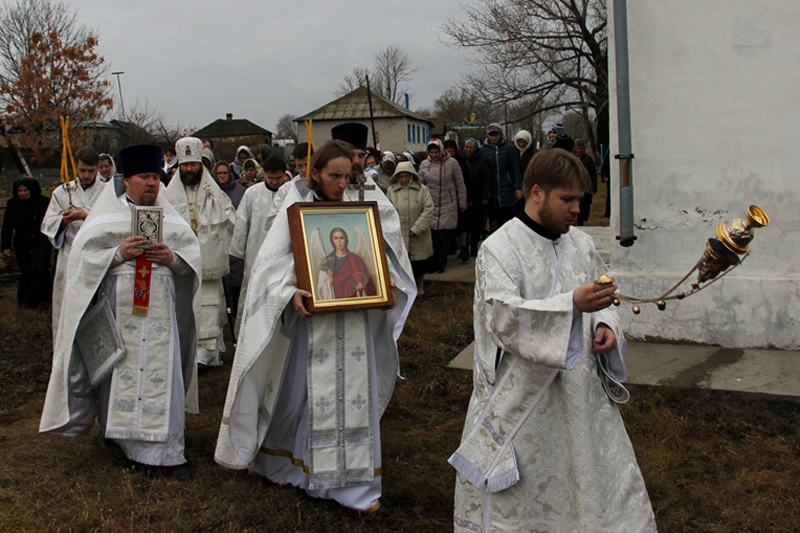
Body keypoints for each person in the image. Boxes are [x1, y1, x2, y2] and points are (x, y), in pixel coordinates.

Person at [450, 148, 657, 533]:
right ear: (537, 193)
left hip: (580, 395)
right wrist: (570, 305)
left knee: (585, 481)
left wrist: (605, 325)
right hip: (524, 399)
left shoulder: (581, 244)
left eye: (580, 198)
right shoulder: (499, 248)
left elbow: (603, 296)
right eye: (568, 199)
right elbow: (503, 318)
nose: (577, 208)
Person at [215, 139, 416, 513]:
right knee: (301, 398)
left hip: (354, 321)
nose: (341, 183)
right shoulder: (297, 207)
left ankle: (354, 487)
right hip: (312, 322)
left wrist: (379, 275)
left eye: (347, 175)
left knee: (352, 397)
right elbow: (268, 269)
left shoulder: (362, 209)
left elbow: (382, 257)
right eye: (333, 175)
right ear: (316, 174)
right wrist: (290, 291)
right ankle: (292, 466)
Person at [39, 144, 202, 481]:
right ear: (127, 181)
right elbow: (81, 262)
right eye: (144, 177)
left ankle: (163, 451)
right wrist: (117, 254)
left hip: (160, 313)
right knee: (119, 369)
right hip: (120, 309)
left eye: (156, 177)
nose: (152, 184)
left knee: (161, 372)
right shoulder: (105, 216)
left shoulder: (170, 217)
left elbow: (192, 262)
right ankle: (122, 439)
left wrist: (172, 258)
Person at [164, 137, 235, 368]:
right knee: (185, 303)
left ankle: (209, 350)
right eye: (185, 165)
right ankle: (189, 348)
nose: (190, 169)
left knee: (210, 302)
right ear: (179, 166)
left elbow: (230, 216)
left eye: (194, 164)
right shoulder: (168, 195)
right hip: (181, 259)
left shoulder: (212, 190)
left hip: (208, 257)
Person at [41, 146, 106, 341]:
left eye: (90, 171)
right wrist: (63, 220)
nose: (86, 175)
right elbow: (47, 223)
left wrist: (86, 216)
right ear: (75, 168)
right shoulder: (62, 192)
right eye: (82, 170)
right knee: (67, 306)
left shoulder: (108, 192)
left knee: (96, 307)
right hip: (70, 255)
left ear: (97, 168)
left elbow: (113, 223)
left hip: (98, 256)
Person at [229, 155, 286, 330]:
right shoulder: (252, 193)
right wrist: (240, 250)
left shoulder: (290, 192)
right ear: (265, 174)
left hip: (282, 253)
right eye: (270, 178)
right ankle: (248, 330)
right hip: (256, 250)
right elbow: (241, 221)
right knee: (253, 289)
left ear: (284, 174)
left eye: (278, 178)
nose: (274, 182)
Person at [2, 177, 51, 309]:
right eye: (20, 191)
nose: (22, 193)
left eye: (25, 190)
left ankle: (44, 300)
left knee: (41, 269)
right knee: (27, 271)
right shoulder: (12, 204)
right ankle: (27, 302)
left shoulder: (44, 203)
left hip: (41, 241)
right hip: (22, 243)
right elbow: (7, 226)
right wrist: (6, 246)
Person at [386, 161, 433, 297]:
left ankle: (419, 286)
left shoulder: (422, 189)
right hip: (400, 233)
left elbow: (428, 209)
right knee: (403, 263)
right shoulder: (391, 191)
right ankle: (406, 288)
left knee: (419, 263)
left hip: (418, 234)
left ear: (412, 176)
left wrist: (417, 228)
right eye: (401, 176)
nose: (403, 179)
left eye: (406, 176)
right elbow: (389, 211)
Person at [419, 138, 466, 273]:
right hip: (431, 203)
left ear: (441, 150)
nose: (434, 155)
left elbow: (460, 184)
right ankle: (434, 261)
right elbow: (420, 183)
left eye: (436, 152)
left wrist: (462, 202)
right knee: (433, 234)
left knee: (443, 235)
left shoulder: (452, 163)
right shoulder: (424, 164)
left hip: (447, 202)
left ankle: (442, 260)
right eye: (431, 152)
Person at [214, 161, 246, 320]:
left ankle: (238, 312)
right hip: (219, 240)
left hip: (236, 238)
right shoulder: (211, 192)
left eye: (224, 173)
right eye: (219, 174)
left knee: (237, 280)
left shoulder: (240, 191)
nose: (222, 176)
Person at [480, 123, 522, 233]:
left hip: (506, 189)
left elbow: (514, 169)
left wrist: (518, 187)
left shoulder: (509, 148)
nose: (493, 138)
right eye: (491, 135)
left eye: (496, 135)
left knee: (507, 220)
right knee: (493, 218)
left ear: (500, 135)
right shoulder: (484, 150)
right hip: (492, 190)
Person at [461, 137, 491, 258]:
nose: (468, 150)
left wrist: (485, 196)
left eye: (471, 147)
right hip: (464, 198)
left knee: (476, 226)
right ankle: (465, 250)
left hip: (478, 197)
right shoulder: (462, 160)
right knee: (465, 225)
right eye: (466, 147)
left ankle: (474, 249)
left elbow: (487, 179)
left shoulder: (481, 161)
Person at [575, 138, 598, 226]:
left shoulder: (588, 159)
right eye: (577, 148)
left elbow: (593, 174)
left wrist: (593, 188)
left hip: (585, 187)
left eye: (580, 148)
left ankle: (581, 223)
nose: (579, 150)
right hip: (575, 186)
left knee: (583, 208)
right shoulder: (573, 157)